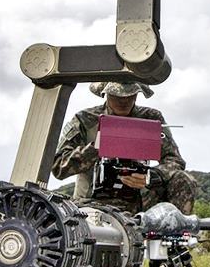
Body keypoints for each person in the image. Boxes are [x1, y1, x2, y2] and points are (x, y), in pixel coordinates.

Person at [51, 81, 197, 214]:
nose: (124, 101)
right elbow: (58, 167)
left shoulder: (150, 117)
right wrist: (96, 148)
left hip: (139, 199)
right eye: (117, 96)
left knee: (183, 179)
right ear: (105, 93)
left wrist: (152, 176)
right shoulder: (85, 119)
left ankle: (176, 238)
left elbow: (175, 161)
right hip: (92, 201)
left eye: (130, 95)